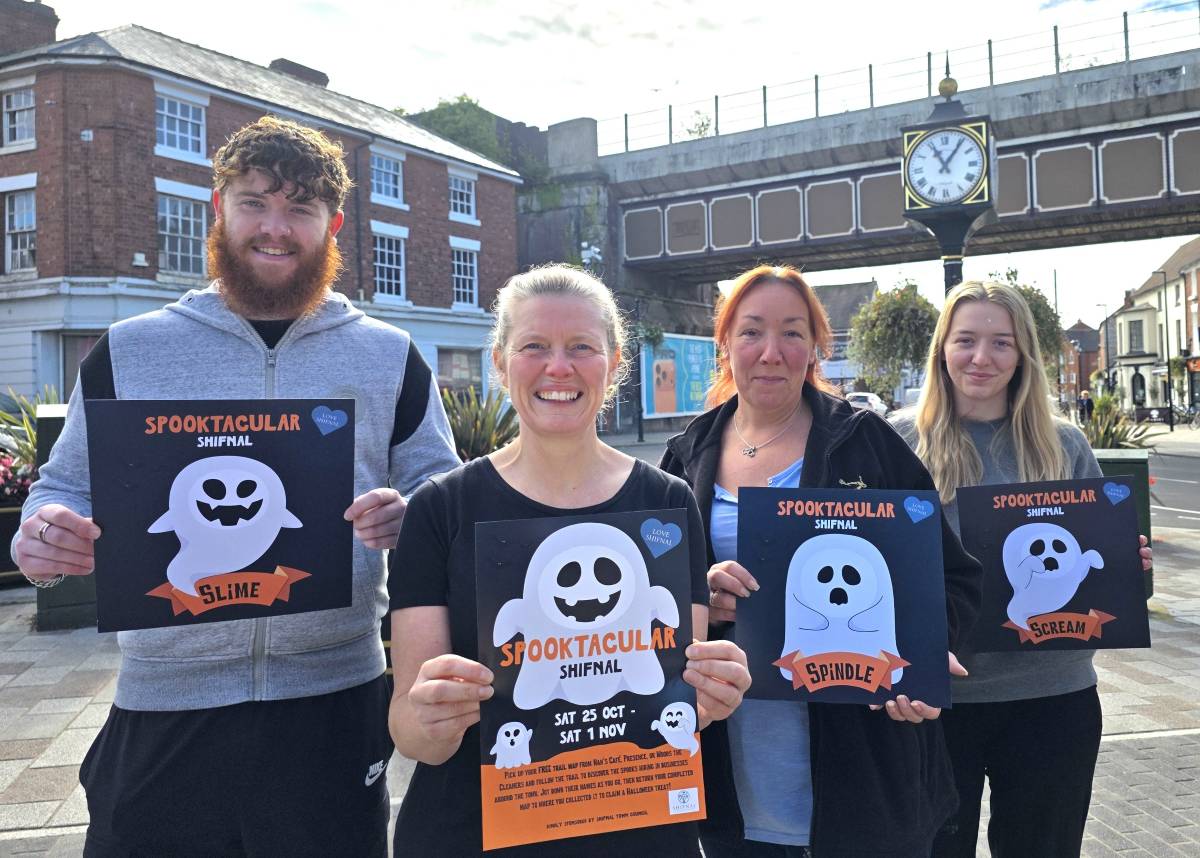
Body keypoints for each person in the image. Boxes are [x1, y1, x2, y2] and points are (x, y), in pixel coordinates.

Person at [11, 116, 460, 857]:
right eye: (254, 202)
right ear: (219, 207)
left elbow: (439, 487)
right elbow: (65, 485)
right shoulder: (131, 350)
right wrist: (46, 530)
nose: (275, 228)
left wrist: (412, 516)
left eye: (300, 209)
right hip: (165, 703)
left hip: (334, 698)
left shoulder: (390, 355)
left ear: (333, 223)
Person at [387, 264, 752, 856]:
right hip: (472, 831)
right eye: (535, 347)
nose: (559, 367)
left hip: (639, 827)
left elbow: (676, 703)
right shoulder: (440, 509)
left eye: (581, 347)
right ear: (502, 363)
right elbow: (408, 730)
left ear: (613, 364)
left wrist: (710, 697)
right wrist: (428, 719)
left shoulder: (665, 502)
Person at [658, 264, 982, 858]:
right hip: (735, 786)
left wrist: (928, 654)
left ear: (814, 346)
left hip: (864, 782)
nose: (771, 352)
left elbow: (952, 577)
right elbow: (655, 610)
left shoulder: (865, 442)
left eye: (792, 332)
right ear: (725, 343)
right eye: (752, 331)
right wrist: (698, 596)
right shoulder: (684, 457)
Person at [891, 280, 1153, 858]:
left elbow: (1093, 560)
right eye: (966, 340)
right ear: (942, 348)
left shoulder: (1063, 443)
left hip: (1052, 699)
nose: (982, 358)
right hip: (937, 703)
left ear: (1023, 355)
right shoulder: (897, 441)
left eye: (1001, 343)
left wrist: (1120, 565)